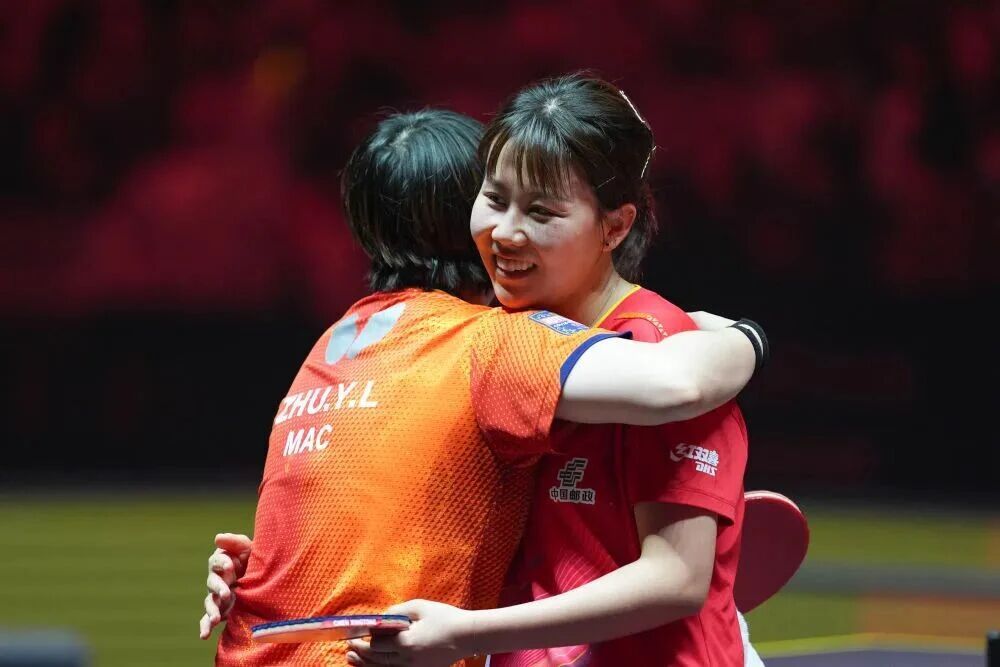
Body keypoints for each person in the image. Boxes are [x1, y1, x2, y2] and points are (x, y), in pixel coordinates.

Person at [204, 107, 761, 666]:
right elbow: (678, 381)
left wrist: (273, 568)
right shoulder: (495, 342)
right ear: (465, 213)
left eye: (537, 207)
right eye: (495, 197)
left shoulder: (331, 348)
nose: (508, 229)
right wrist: (747, 335)